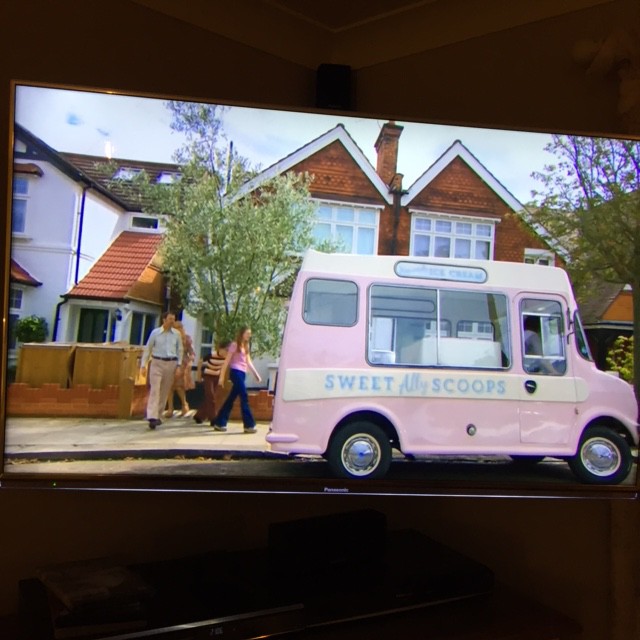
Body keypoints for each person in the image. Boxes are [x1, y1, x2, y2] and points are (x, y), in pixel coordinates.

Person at [213, 326, 262, 434]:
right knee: (244, 396)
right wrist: (221, 377)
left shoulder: (246, 346)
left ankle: (220, 422)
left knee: (231, 398)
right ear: (242, 333)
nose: (249, 335)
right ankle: (249, 424)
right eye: (247, 333)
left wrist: (256, 374)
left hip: (243, 373)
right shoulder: (234, 345)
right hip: (235, 372)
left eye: (250, 333)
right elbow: (227, 361)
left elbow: (248, 362)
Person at [139, 311, 183, 430]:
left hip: (171, 363)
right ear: (164, 320)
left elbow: (180, 350)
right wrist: (143, 365)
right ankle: (152, 416)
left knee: (164, 391)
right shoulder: (155, 333)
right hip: (157, 362)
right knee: (155, 389)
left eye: (173, 319)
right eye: (170, 319)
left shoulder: (177, 334)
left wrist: (179, 366)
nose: (172, 322)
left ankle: (158, 415)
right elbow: (148, 348)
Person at [193, 339, 231, 425]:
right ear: (220, 348)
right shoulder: (211, 355)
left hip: (216, 377)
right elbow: (200, 362)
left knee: (210, 397)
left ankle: (199, 416)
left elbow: (224, 369)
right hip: (208, 376)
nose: (227, 352)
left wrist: (221, 379)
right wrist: (198, 374)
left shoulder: (226, 358)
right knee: (210, 396)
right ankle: (213, 418)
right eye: (226, 350)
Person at [165, 320, 195, 417]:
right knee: (169, 386)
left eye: (179, 328)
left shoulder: (187, 339)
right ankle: (170, 408)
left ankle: (184, 404)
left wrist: (190, 361)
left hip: (182, 364)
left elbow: (192, 353)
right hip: (171, 362)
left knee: (179, 386)